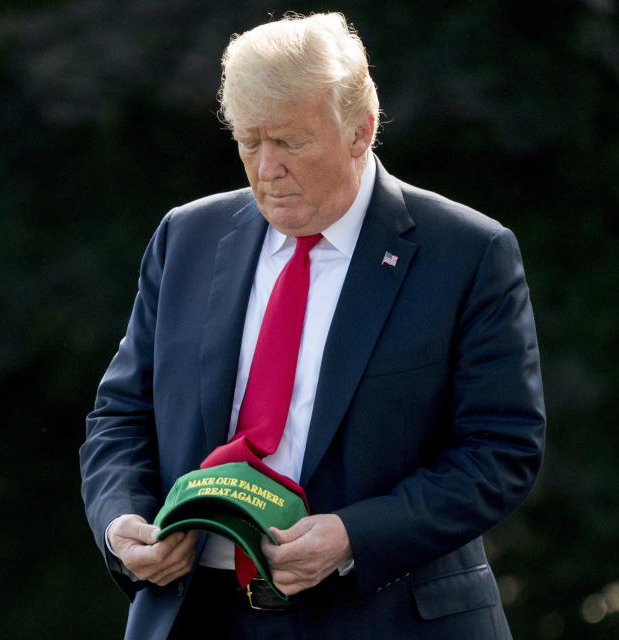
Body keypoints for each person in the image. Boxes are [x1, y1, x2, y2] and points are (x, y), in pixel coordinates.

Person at [80, 12, 545, 640]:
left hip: (385, 613)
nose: (266, 167)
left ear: (361, 131)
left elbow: (500, 450)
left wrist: (354, 535)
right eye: (249, 142)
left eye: (291, 142)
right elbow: (119, 417)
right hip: (197, 614)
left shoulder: (466, 253)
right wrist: (122, 523)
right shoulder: (186, 238)